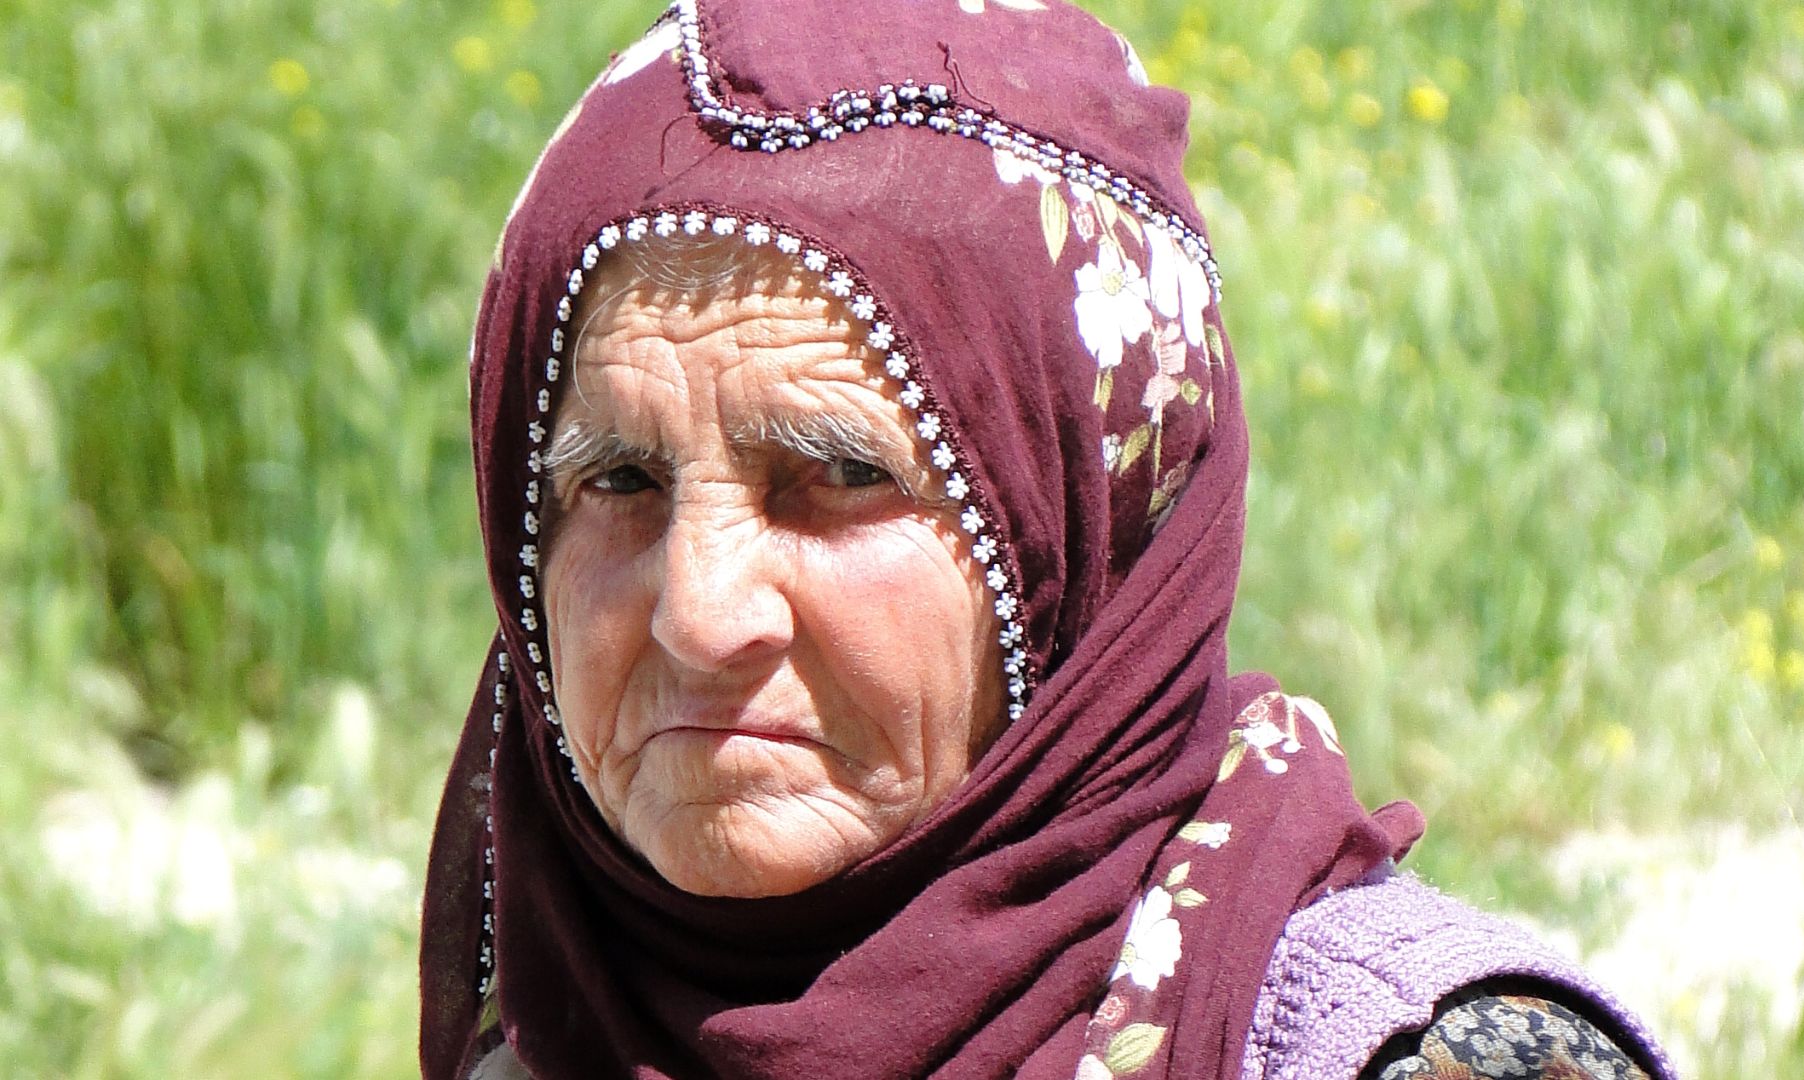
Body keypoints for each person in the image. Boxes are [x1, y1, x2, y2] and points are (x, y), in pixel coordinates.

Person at [420, 1, 1677, 1076]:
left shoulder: (1408, 1056)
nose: (700, 611)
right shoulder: (539, 1004)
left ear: (1087, 546)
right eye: (620, 479)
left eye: (840, 475)